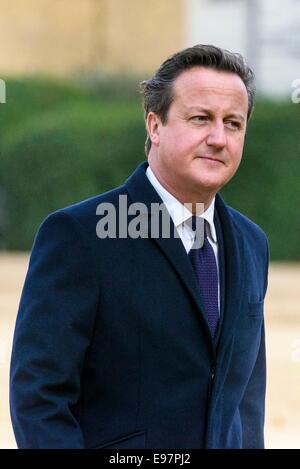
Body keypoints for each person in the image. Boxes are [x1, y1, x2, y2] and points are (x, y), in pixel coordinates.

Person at [10, 44, 269, 449]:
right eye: (201, 118)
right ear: (155, 125)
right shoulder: (80, 235)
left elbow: (245, 402)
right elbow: (39, 396)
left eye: (233, 123)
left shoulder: (252, 243)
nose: (219, 138)